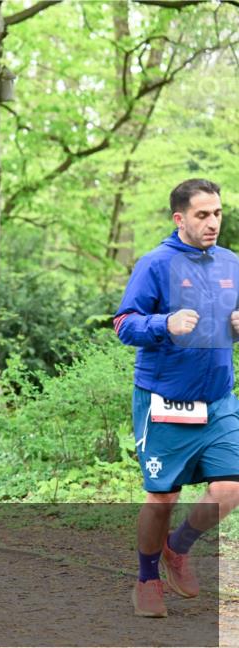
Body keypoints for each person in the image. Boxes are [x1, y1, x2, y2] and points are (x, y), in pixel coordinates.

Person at [113, 178, 239, 618]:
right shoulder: (155, 264)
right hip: (165, 399)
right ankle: (147, 578)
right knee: (162, 498)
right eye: (202, 215)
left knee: (231, 487)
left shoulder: (231, 264)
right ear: (179, 218)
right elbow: (124, 323)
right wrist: (163, 323)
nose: (212, 223)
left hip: (219, 398)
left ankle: (177, 548)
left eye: (217, 213)